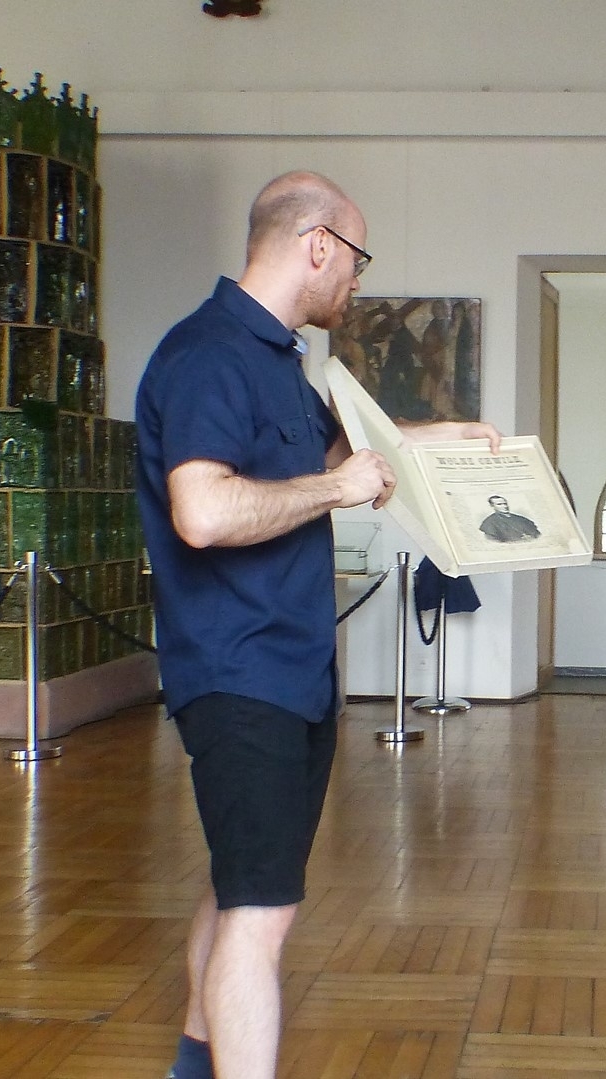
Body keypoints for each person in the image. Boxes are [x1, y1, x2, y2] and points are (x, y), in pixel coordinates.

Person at [135, 170, 501, 1079]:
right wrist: (341, 489)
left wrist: (433, 439)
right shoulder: (209, 354)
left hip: (291, 671)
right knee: (262, 917)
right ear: (317, 245)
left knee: (239, 890)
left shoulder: (278, 357)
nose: (359, 281)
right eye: (357, 259)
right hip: (237, 672)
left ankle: (191, 1063)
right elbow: (204, 512)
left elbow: (345, 454)